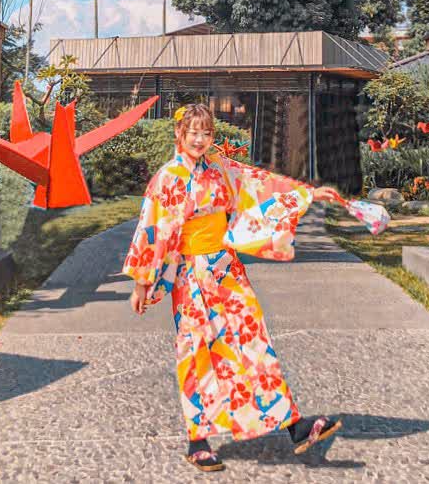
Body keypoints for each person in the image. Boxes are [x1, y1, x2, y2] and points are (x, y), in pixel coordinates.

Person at [123, 103, 344, 472]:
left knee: (253, 340)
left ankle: (294, 425)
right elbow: (153, 230)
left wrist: (307, 195)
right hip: (191, 276)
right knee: (198, 352)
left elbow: (261, 185)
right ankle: (198, 439)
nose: (200, 139)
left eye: (206, 133)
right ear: (179, 134)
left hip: (227, 269)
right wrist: (142, 283)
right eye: (193, 132)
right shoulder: (167, 178)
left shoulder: (221, 170)